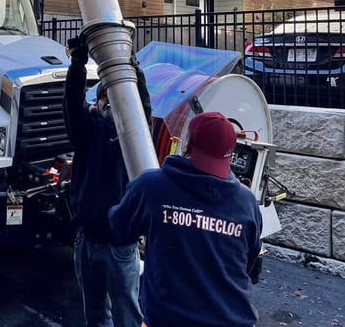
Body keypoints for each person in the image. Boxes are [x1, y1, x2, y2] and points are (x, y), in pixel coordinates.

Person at [108, 111, 263, 327]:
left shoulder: (152, 187)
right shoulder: (246, 201)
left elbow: (120, 227)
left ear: (187, 145)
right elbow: (249, 259)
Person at [64, 35, 149, 327]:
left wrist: (132, 66)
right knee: (96, 316)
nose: (110, 103)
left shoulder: (134, 137)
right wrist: (77, 62)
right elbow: (72, 107)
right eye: (105, 97)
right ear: (98, 102)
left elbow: (142, 107)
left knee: (127, 316)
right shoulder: (88, 132)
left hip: (120, 245)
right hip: (87, 240)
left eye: (116, 98)